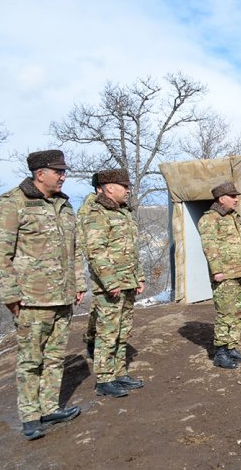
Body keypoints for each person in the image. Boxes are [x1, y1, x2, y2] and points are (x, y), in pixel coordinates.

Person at [0, 149, 85, 440]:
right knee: (31, 360)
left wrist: (79, 284)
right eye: (58, 171)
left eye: (63, 171)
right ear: (40, 173)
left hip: (63, 296)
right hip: (32, 299)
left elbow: (74, 249)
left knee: (55, 357)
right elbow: (0, 253)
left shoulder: (64, 205)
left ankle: (49, 407)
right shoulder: (13, 203)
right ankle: (30, 417)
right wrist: (9, 295)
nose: (63, 176)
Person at [81, 169, 146, 398]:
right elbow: (96, 251)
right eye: (124, 186)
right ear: (109, 187)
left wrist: (139, 277)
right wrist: (110, 282)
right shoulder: (97, 213)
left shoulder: (124, 213)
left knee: (122, 331)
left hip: (127, 281)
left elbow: (132, 251)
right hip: (111, 285)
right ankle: (105, 379)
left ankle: (119, 373)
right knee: (107, 333)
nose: (128, 190)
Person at [197, 181, 241, 369]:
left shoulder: (233, 217)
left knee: (239, 313)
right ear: (222, 199)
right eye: (233, 196)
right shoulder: (210, 219)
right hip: (225, 275)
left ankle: (232, 347)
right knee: (225, 314)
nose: (237, 200)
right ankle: (221, 352)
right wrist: (217, 270)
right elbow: (210, 246)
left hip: (240, 272)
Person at [77, 173, 101, 359]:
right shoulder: (89, 208)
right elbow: (83, 239)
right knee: (99, 303)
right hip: (98, 261)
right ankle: (92, 337)